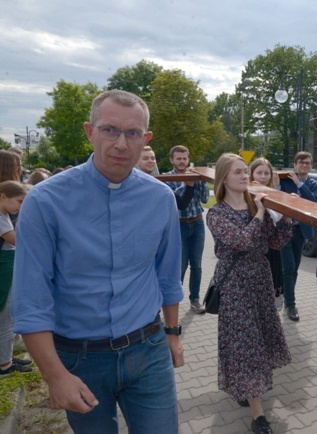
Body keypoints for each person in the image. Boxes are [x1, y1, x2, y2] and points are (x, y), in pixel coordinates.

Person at [10, 89, 185, 433]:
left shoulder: (161, 199)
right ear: (90, 131)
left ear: (145, 139)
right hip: (79, 359)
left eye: (133, 133)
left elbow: (167, 276)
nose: (121, 143)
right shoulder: (46, 202)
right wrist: (55, 376)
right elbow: (31, 301)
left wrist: (174, 334)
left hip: (147, 350)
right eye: (109, 130)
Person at [206, 153, 293, 434]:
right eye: (238, 172)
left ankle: (248, 386)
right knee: (246, 344)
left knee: (258, 339)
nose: (245, 176)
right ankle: (259, 416)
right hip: (235, 284)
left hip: (260, 279)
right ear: (223, 178)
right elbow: (243, 241)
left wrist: (287, 218)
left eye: (246, 171)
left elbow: (276, 242)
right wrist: (260, 213)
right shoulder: (217, 213)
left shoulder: (257, 204)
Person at [166, 145, 209, 314]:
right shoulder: (167, 178)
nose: (182, 161)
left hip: (198, 223)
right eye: (179, 158)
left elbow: (205, 199)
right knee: (180, 265)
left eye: (185, 158)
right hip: (179, 225)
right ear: (172, 160)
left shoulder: (195, 176)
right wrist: (187, 184)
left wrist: (201, 180)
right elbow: (175, 202)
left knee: (197, 265)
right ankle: (173, 301)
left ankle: (195, 299)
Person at [278, 151, 317, 321]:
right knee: (288, 267)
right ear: (294, 165)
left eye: (307, 162)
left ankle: (287, 297)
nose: (304, 165)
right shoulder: (285, 181)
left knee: (294, 267)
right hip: (284, 229)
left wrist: (301, 186)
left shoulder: (314, 184)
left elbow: (316, 203)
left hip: (301, 231)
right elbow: (277, 198)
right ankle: (291, 303)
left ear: (311, 165)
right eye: (300, 162)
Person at [0, 181, 32, 376]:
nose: (21, 207)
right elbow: (17, 240)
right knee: (6, 317)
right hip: (4, 270)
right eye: (20, 201)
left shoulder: (4, 215)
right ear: (3, 196)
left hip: (7, 267)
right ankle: (5, 364)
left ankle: (7, 357)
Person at [249, 158, 284, 307]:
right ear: (252, 175)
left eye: (266, 173)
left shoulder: (274, 194)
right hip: (253, 251)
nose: (263, 177)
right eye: (259, 173)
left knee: (272, 292)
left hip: (271, 248)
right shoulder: (246, 195)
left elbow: (277, 217)